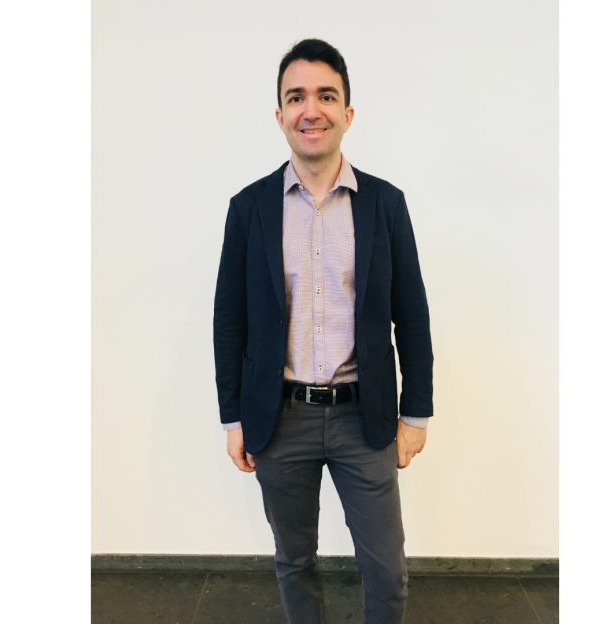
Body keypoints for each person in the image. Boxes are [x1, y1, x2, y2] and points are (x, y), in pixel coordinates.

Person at [213, 38, 433, 624]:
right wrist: (233, 418)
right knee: (294, 562)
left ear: (348, 113)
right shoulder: (249, 209)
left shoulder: (385, 204)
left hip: (367, 418)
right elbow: (229, 320)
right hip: (280, 418)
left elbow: (411, 313)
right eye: (296, 97)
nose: (311, 110)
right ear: (280, 115)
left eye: (326, 96)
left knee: (386, 571)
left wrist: (415, 414)